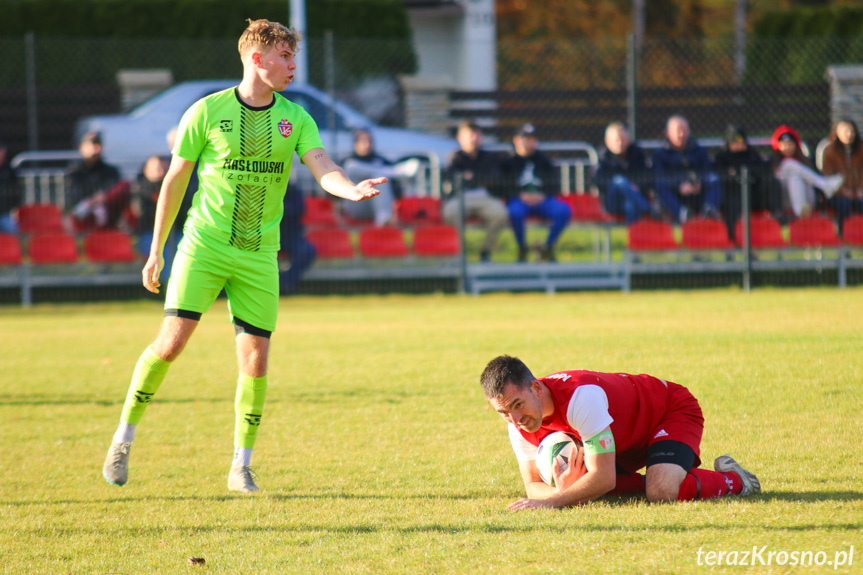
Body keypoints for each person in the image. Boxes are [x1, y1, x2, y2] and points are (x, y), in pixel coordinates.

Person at [101, 18, 384, 493]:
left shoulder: (297, 117)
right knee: (170, 344)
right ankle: (123, 438)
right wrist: (155, 252)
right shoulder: (206, 112)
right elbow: (173, 184)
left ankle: (240, 466)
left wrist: (349, 189)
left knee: (255, 361)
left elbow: (323, 166)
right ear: (257, 59)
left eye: (293, 56)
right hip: (204, 247)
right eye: (285, 57)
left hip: (259, 256)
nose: (293, 65)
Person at [480, 355, 761, 510]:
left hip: (667, 411)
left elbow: (603, 477)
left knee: (661, 491)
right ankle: (664, 475)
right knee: (590, 489)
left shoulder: (580, 398)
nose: (514, 419)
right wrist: (563, 489)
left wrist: (555, 501)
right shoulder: (516, 425)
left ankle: (736, 479)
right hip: (623, 440)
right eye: (503, 412)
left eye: (518, 405)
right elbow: (531, 485)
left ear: (537, 389)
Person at [500, 124, 571, 262]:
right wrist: (519, 195)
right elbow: (502, 185)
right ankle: (522, 248)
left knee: (563, 210)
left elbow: (554, 183)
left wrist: (542, 195)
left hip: (542, 200)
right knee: (515, 212)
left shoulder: (543, 160)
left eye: (531, 139)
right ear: (516, 141)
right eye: (525, 139)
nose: (529, 142)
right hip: (519, 200)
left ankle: (548, 247)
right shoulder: (508, 162)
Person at [442, 120, 509, 262]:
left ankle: (485, 251)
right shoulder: (455, 157)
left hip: (485, 197)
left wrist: (471, 177)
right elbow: (453, 179)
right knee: (450, 212)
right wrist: (480, 178)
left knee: (500, 214)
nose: (473, 139)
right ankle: (460, 254)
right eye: (469, 135)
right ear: (460, 138)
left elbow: (495, 178)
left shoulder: (489, 157)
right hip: (461, 197)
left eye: (476, 135)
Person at [713, 125, 781, 238]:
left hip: (753, 194)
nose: (739, 145)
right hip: (734, 196)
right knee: (731, 203)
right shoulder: (722, 157)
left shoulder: (752, 155)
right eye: (735, 142)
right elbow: (721, 175)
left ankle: (779, 217)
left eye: (742, 142)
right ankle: (732, 237)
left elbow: (763, 170)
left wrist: (749, 176)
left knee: (772, 182)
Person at [652, 115, 723, 223]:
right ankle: (681, 214)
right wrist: (680, 185)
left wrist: (698, 183)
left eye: (684, 130)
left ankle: (709, 209)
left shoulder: (699, 150)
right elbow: (659, 176)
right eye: (678, 130)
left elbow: (707, 171)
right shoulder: (660, 154)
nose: (682, 134)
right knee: (660, 185)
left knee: (715, 179)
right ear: (667, 133)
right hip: (675, 195)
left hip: (698, 192)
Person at [340, 128, 416, 227]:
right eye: (363, 141)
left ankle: (383, 221)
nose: (366, 144)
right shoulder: (347, 160)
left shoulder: (380, 160)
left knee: (379, 177)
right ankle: (396, 172)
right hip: (356, 206)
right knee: (351, 166)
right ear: (356, 143)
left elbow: (396, 190)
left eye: (369, 141)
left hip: (377, 205)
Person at [771, 125, 843, 220]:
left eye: (790, 144)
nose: (787, 147)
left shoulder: (805, 161)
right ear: (778, 146)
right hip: (786, 201)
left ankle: (801, 209)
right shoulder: (774, 163)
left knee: (796, 175)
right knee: (790, 166)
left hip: (808, 201)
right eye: (784, 144)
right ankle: (824, 184)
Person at [592, 122, 658, 224]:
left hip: (634, 198)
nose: (620, 143)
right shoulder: (602, 158)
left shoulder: (637, 155)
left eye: (623, 139)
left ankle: (632, 237)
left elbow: (647, 177)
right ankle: (649, 209)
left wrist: (636, 187)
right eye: (616, 140)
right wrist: (627, 186)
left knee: (630, 205)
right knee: (619, 181)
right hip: (613, 201)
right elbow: (599, 181)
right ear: (607, 141)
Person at [67, 131, 131, 231]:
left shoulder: (111, 171)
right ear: (82, 148)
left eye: (98, 145)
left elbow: (114, 190)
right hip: (85, 217)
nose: (95, 149)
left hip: (108, 214)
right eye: (91, 145)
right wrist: (93, 201)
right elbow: (74, 197)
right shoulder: (75, 172)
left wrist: (102, 198)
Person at [819, 119, 863, 234]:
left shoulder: (861, 150)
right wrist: (844, 191)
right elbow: (828, 177)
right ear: (837, 133)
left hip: (858, 193)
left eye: (851, 131)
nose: (849, 134)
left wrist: (860, 190)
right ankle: (843, 236)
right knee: (844, 204)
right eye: (845, 131)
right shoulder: (829, 152)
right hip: (837, 195)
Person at [278, 181, 316, 293]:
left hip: (291, 236)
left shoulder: (292, 190)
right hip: (266, 235)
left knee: (307, 251)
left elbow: (299, 210)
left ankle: (284, 283)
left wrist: (280, 209)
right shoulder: (265, 189)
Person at [0, 138, 21, 234]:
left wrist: (14, 209)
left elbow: (16, 191)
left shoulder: (9, 171)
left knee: (11, 229)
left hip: (4, 212)